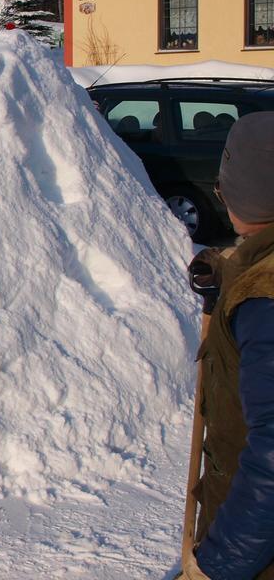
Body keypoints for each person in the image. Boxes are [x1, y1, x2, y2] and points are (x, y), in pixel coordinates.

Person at [185, 111, 274, 580]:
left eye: (224, 188)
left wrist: (223, 564)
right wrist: (226, 273)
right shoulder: (257, 273)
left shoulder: (265, 301)